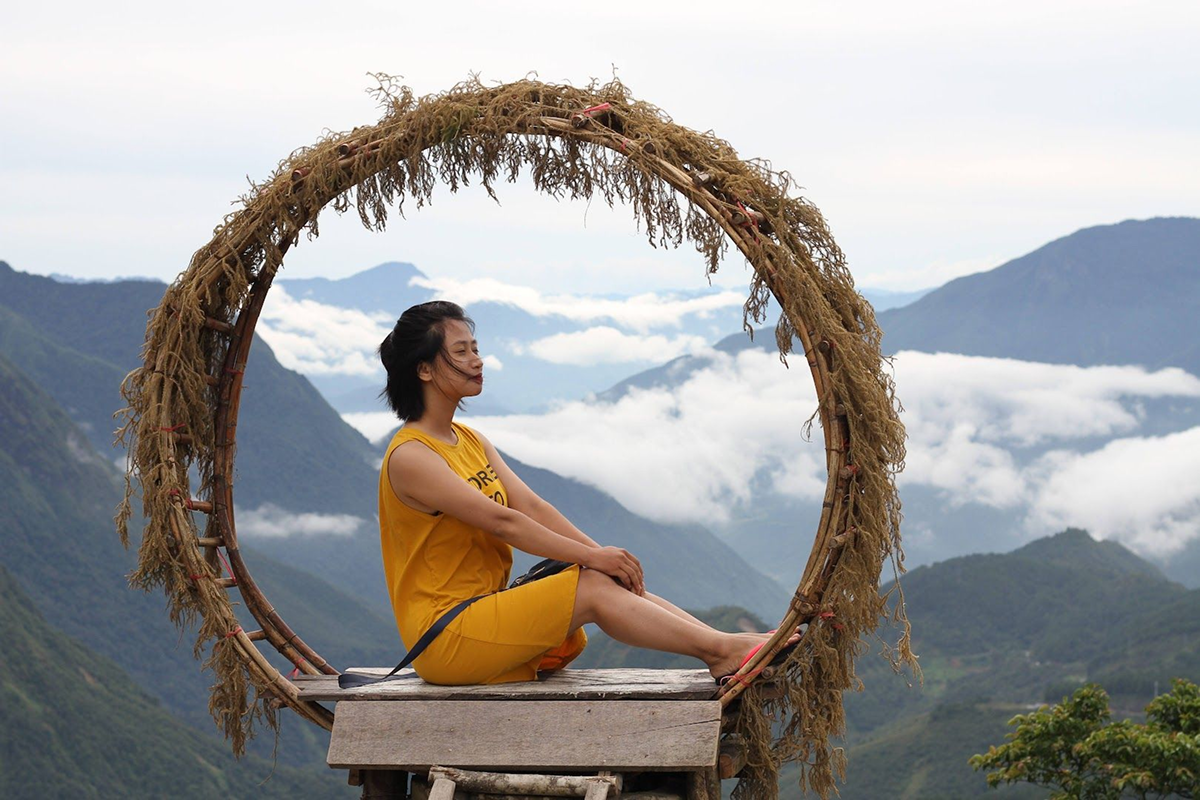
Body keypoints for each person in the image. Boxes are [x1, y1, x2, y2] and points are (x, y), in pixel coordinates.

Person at [376, 300, 794, 685]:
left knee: (599, 578)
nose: (478, 360)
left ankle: (727, 643)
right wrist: (594, 559)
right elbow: (504, 521)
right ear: (425, 369)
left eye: (475, 348)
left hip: (483, 616)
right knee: (592, 585)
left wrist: (607, 563)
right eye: (461, 351)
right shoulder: (412, 457)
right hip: (447, 636)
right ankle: (722, 652)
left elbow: (533, 506)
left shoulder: (469, 439)